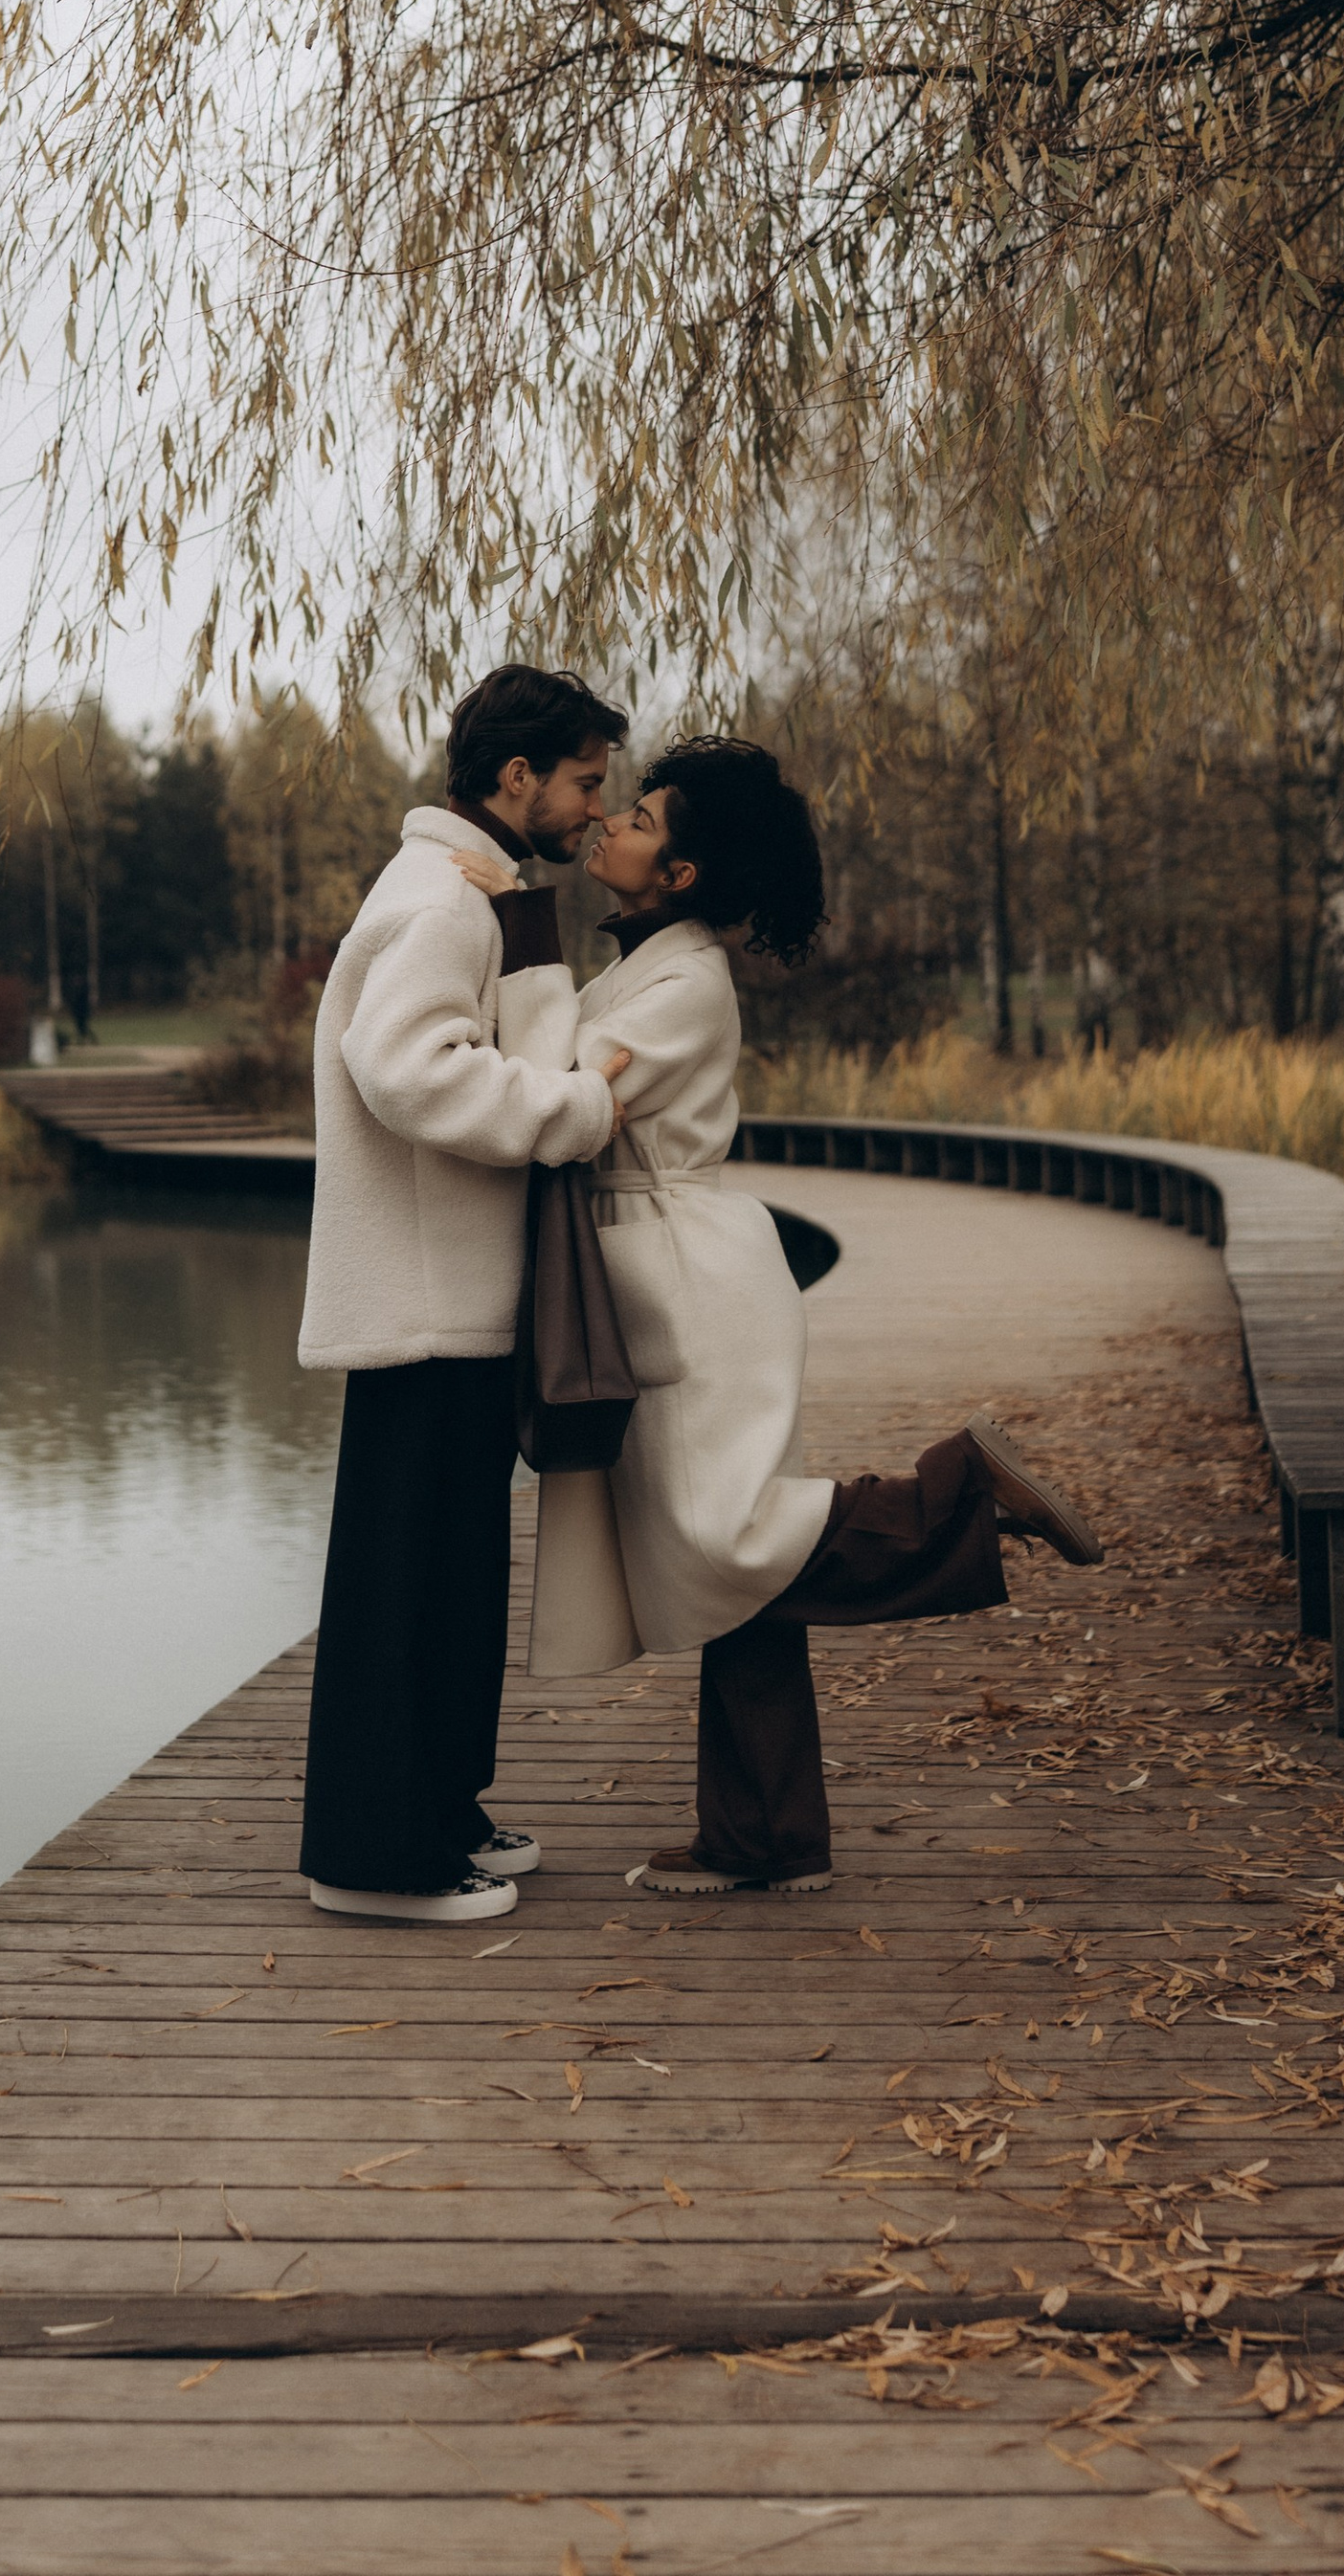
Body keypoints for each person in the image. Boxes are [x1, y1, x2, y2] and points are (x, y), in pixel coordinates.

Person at [468, 737, 1101, 1898]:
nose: (610, 824)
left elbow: (556, 1088)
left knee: (728, 1544)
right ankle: (763, 1837)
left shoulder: (683, 984)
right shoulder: (648, 963)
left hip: (688, 1278)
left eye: (642, 817)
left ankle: (956, 1491)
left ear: (684, 875)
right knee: (723, 1574)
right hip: (658, 1266)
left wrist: (515, 927)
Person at [295, 663, 634, 1923]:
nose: (599, 810)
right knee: (405, 1588)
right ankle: (375, 1861)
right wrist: (576, 1112)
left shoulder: (483, 890)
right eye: (587, 784)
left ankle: (436, 1814)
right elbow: (406, 1068)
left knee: (447, 1582)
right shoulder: (444, 899)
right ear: (517, 778)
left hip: (457, 1299)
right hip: (426, 1307)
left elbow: (505, 1027)